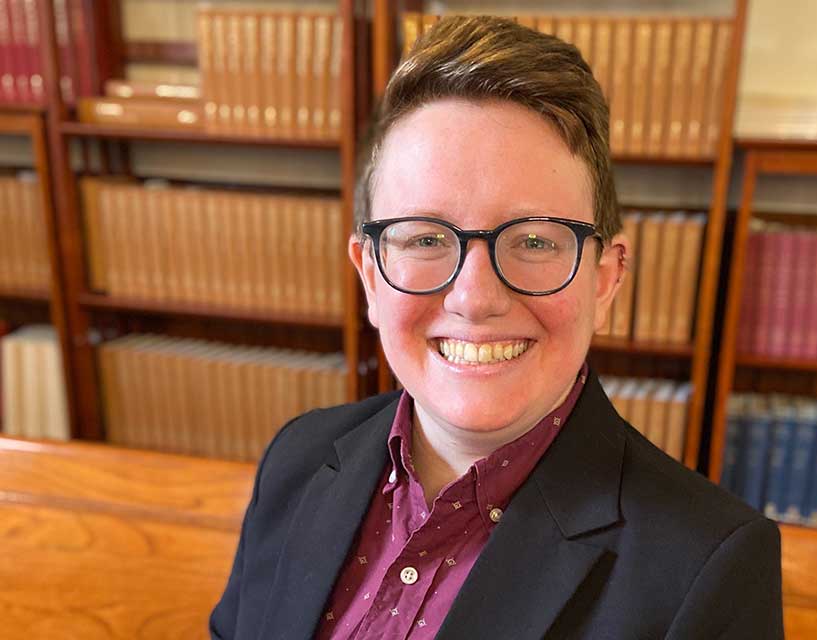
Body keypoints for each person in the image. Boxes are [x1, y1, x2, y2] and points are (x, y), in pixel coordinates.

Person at [210, 15, 783, 640]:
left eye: (535, 240)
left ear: (605, 279)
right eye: (425, 237)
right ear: (370, 275)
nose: (474, 298)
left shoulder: (707, 567)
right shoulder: (297, 459)